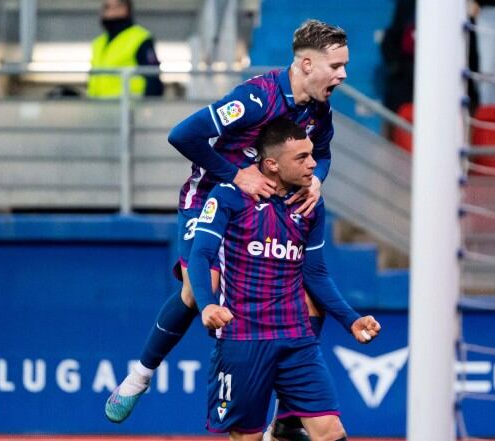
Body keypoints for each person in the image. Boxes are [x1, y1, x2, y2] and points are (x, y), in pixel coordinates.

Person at [105, 19, 350, 430]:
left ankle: (289, 417)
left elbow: (322, 152)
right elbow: (184, 135)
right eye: (336, 65)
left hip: (269, 203)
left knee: (310, 298)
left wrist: (318, 181)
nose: (343, 75)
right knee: (195, 288)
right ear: (307, 64)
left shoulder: (318, 109)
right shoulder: (255, 98)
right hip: (212, 197)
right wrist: (235, 175)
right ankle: (140, 376)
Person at [188, 117, 381, 439]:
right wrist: (207, 306)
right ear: (272, 164)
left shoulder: (310, 204)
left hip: (297, 338)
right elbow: (201, 255)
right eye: (302, 157)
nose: (314, 164)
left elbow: (315, 272)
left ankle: (284, 424)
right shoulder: (228, 197)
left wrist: (351, 320)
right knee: (246, 436)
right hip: (243, 339)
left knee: (330, 430)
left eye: (311, 154)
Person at [87, 0, 164, 98]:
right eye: (107, 7)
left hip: (130, 107)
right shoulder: (98, 43)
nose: (112, 11)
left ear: (127, 8)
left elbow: (152, 78)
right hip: (99, 107)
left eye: (117, 6)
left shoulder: (140, 38)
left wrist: (148, 109)